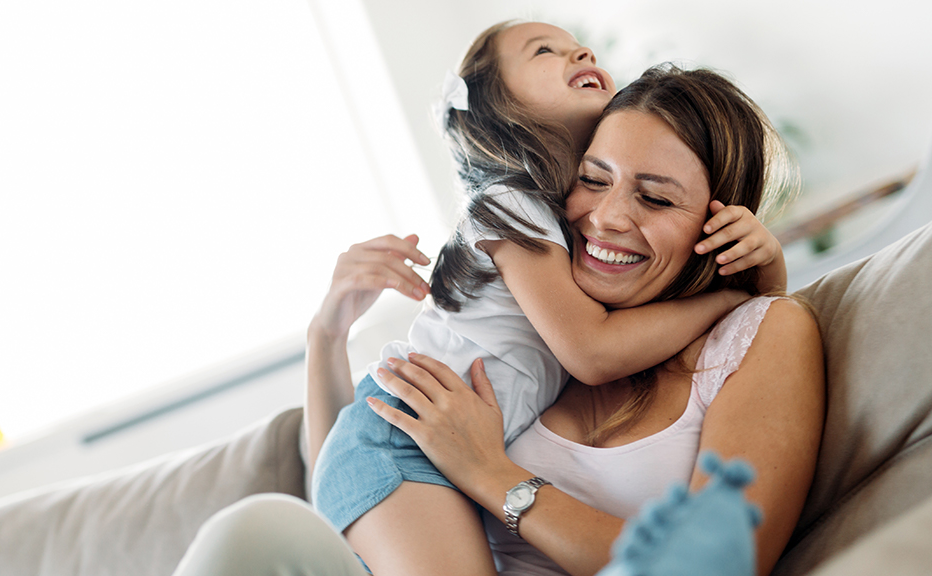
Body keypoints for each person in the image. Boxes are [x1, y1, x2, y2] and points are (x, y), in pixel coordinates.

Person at [170, 63, 824, 576]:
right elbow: (355, 483)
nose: (606, 217)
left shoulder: (762, 331)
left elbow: (716, 564)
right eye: (592, 179)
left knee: (259, 532)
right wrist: (327, 334)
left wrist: (494, 475)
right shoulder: (542, 322)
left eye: (654, 197)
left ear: (724, 222)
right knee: (259, 530)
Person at [308, 21, 788, 576]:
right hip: (399, 444)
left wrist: (762, 273)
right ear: (499, 110)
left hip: (416, 451)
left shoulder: (554, 226)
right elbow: (592, 352)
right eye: (544, 51)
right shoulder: (509, 206)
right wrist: (727, 295)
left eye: (653, 195)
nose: (581, 50)